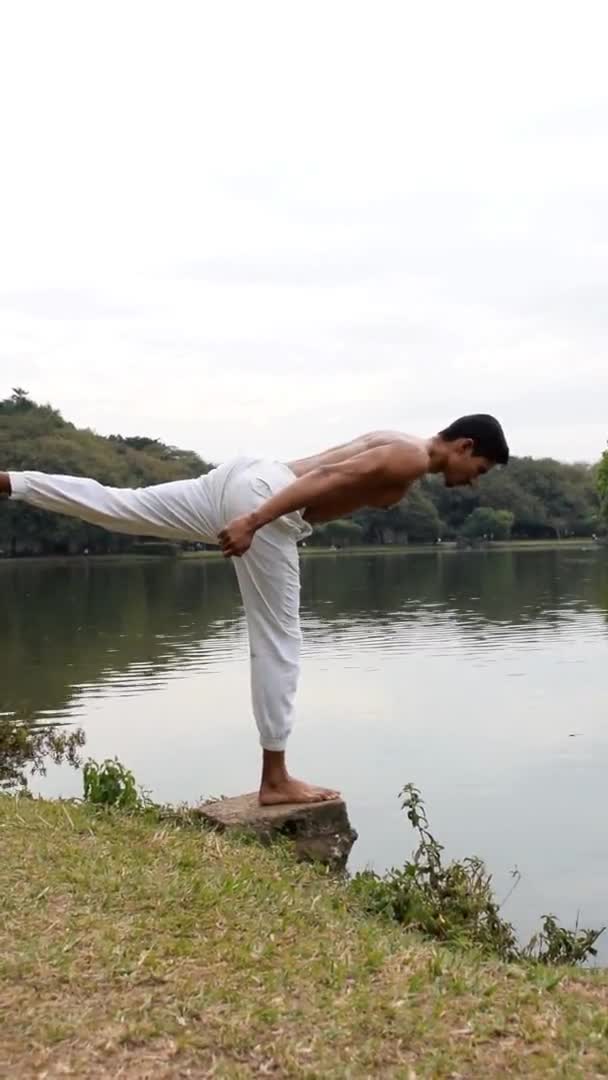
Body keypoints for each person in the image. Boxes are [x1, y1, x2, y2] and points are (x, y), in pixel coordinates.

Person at [0, 413, 509, 805]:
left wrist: (253, 506)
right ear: (464, 446)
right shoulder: (411, 459)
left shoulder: (397, 439)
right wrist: (255, 520)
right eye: (479, 469)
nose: (473, 480)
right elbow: (330, 475)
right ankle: (276, 779)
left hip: (244, 477)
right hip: (265, 499)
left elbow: (328, 470)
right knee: (279, 641)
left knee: (122, 505)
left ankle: (13, 483)